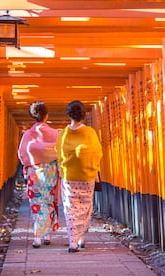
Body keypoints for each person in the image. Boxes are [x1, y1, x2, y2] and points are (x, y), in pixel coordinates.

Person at [55, 100, 103, 253]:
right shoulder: (90, 133)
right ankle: (81, 238)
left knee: (71, 208)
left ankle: (73, 242)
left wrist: (62, 170)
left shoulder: (63, 134)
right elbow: (97, 153)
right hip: (87, 175)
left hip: (69, 176)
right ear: (83, 115)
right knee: (85, 207)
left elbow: (59, 154)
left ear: (69, 115)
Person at [17, 101, 60, 248]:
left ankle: (37, 236)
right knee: (49, 201)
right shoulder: (55, 133)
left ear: (33, 116)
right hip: (51, 172)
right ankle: (46, 234)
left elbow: (22, 154)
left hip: (34, 172)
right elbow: (60, 151)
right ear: (46, 116)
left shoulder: (28, 135)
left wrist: (29, 164)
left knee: (36, 203)